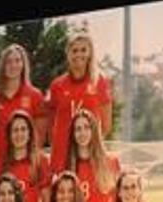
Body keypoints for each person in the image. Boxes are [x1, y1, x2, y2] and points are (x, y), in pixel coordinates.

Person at [46, 26, 113, 174]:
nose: (79, 54)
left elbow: (106, 125)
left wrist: (88, 148)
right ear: (68, 53)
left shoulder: (99, 81)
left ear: (90, 53)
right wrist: (60, 146)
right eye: (74, 50)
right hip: (61, 157)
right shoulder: (57, 85)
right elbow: (50, 126)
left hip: (89, 156)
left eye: (83, 50)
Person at [0, 44, 45, 177]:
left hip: (24, 165)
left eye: (17, 60)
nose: (13, 65)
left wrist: (32, 160)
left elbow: (40, 135)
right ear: (2, 66)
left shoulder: (35, 95)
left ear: (23, 64)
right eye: (8, 61)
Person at [64, 109, 119, 202]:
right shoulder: (68, 166)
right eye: (78, 129)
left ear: (94, 130)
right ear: (72, 134)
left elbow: (119, 201)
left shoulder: (111, 162)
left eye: (86, 127)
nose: (82, 133)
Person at [0, 110, 48, 202]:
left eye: (23, 129)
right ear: (9, 135)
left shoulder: (40, 160)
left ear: (29, 133)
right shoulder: (0, 164)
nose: (19, 134)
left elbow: (46, 197)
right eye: (15, 130)